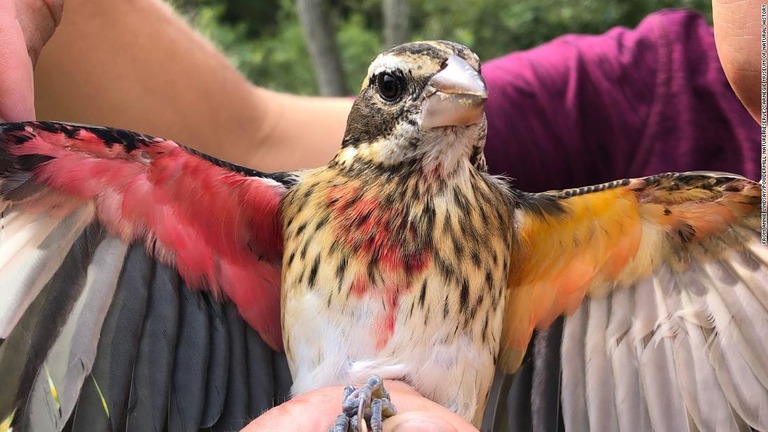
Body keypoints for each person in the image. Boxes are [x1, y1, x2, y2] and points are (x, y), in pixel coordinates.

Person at [0, 0, 760, 430]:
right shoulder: (281, 212)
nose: (449, 91)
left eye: (462, 84)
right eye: (399, 88)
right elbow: (249, 133)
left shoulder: (551, 231)